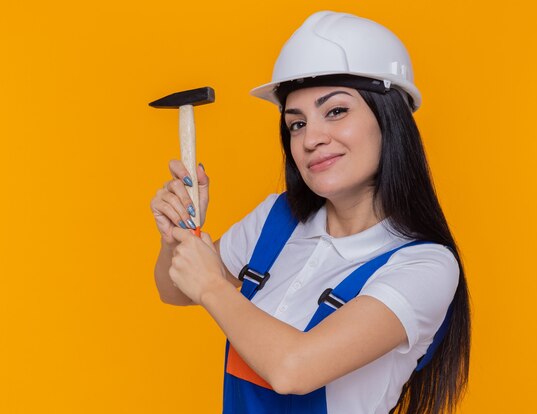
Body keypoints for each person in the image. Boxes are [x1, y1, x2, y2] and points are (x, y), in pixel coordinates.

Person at [150, 11, 470, 414]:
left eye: (335, 111)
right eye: (296, 123)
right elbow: (176, 290)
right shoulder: (276, 219)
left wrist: (212, 285)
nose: (311, 139)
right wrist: (179, 234)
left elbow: (293, 369)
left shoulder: (425, 266)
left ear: (390, 120)